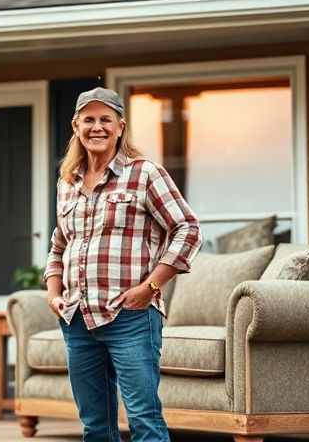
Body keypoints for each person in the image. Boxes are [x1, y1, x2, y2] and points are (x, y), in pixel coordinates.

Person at [43, 87, 202, 442]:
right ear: (75, 126)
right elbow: (59, 245)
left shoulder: (145, 173)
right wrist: (54, 294)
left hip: (130, 317)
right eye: (88, 119)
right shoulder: (67, 184)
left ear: (120, 127)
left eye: (105, 119)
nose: (96, 127)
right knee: (95, 427)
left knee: (144, 420)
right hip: (77, 319)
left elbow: (187, 229)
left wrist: (150, 288)